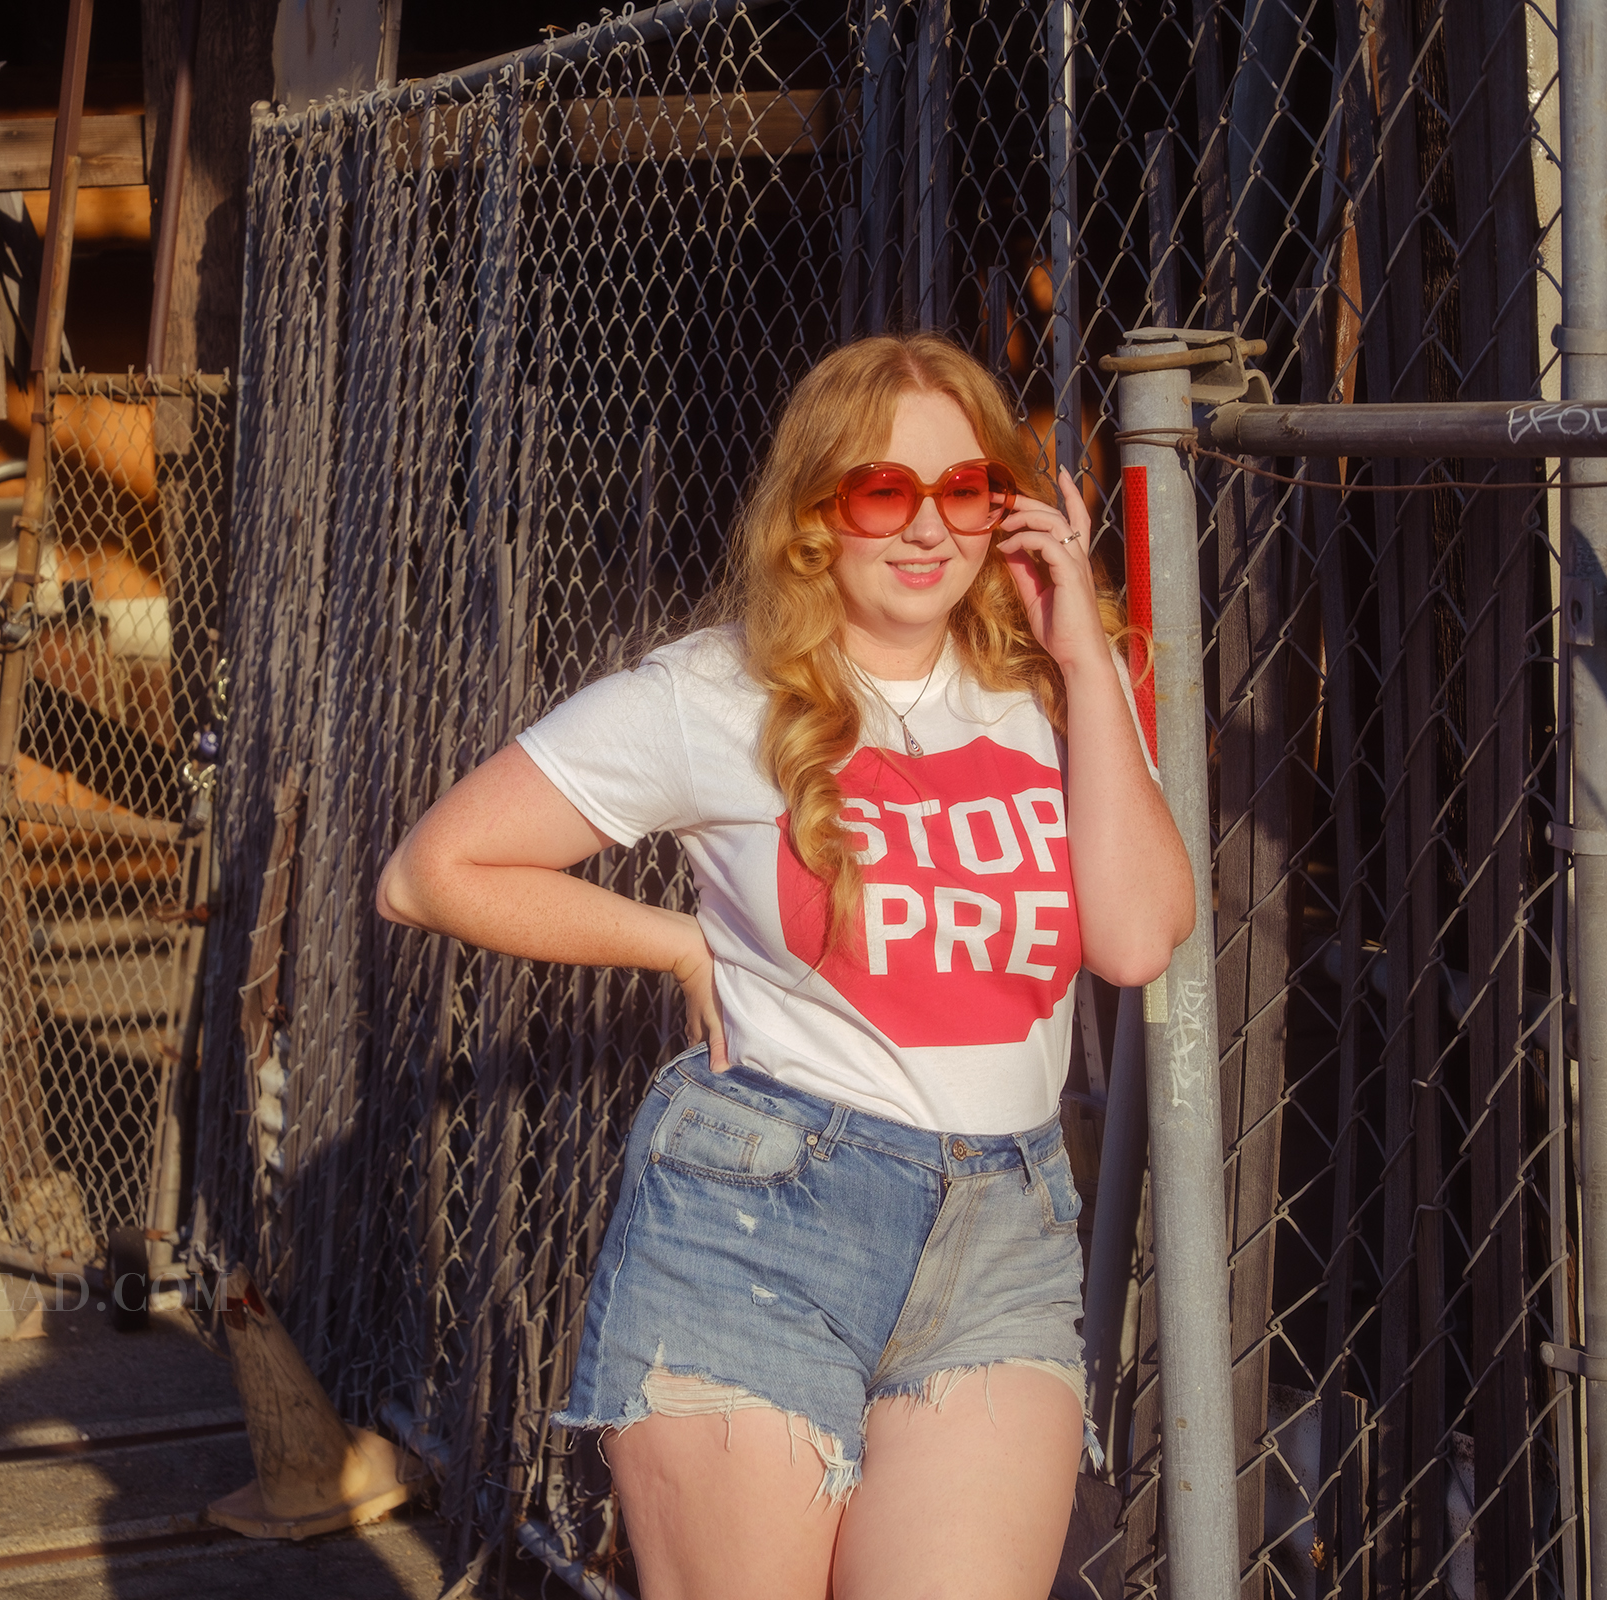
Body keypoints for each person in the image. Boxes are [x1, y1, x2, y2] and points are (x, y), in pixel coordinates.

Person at [375, 332, 1193, 1600]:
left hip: (1006, 1234)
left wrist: (1085, 654)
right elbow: (432, 871)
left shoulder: (1051, 689)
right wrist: (675, 941)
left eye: (965, 490)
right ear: (817, 514)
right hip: (759, 1219)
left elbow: (1138, 938)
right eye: (884, 492)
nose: (928, 529)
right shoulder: (715, 694)